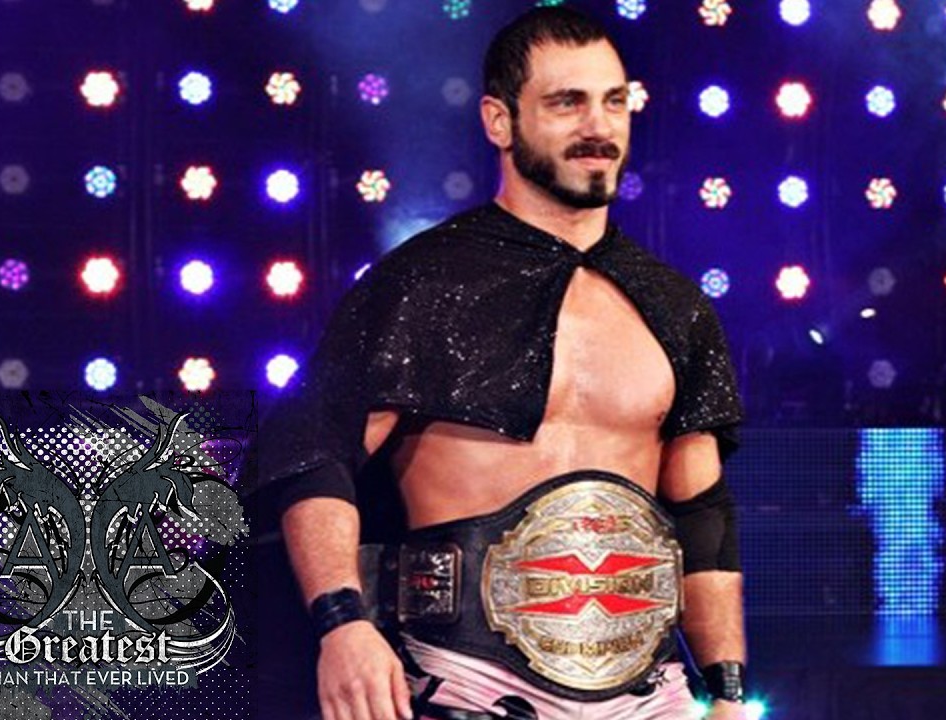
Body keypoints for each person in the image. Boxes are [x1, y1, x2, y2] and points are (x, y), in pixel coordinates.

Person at [251, 7, 747, 720]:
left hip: (650, 695)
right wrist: (343, 624)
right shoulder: (425, 284)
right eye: (567, 102)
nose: (599, 127)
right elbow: (312, 456)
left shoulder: (674, 305)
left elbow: (702, 520)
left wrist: (727, 690)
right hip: (467, 685)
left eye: (614, 102)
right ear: (498, 121)